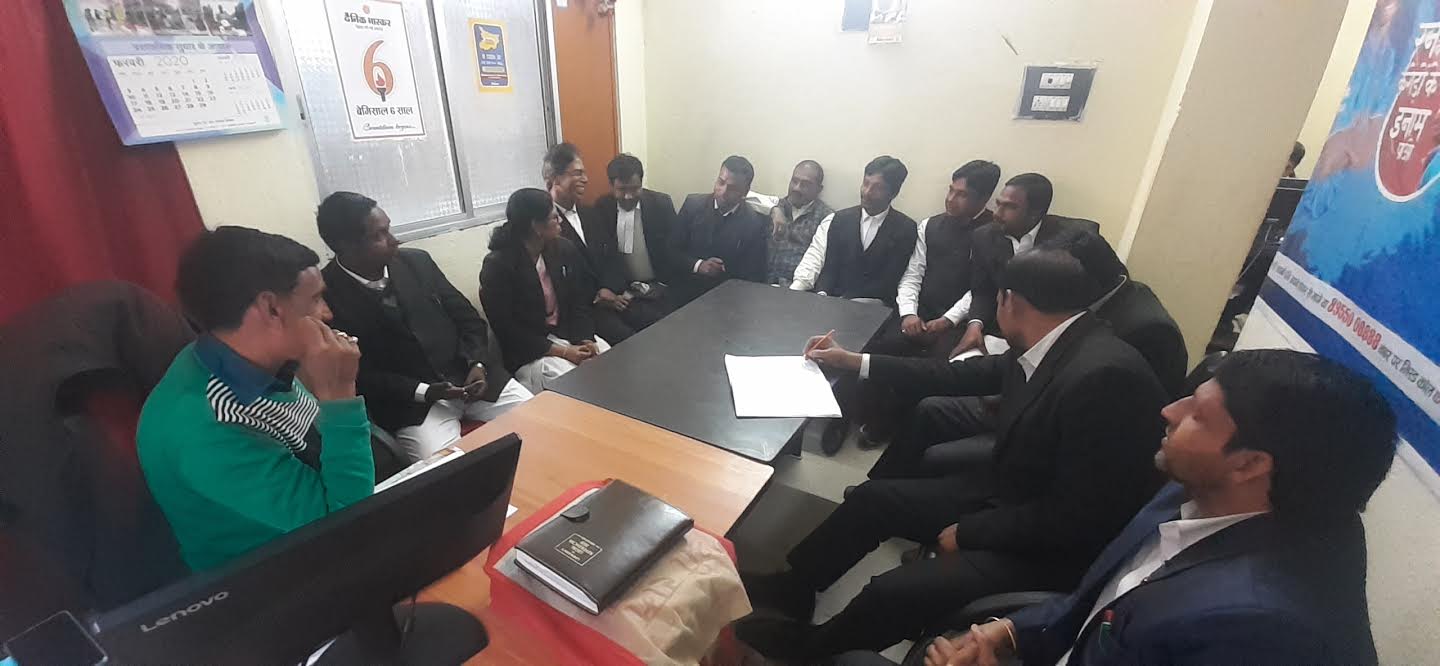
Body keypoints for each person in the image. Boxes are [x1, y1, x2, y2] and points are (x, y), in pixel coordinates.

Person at [736, 248, 1168, 660]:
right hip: (1016, 494)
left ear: (1010, 301)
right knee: (871, 500)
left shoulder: (1105, 379)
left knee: (891, 591)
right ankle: (795, 588)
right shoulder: (1058, 341)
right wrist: (854, 362)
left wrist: (969, 532)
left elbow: (1077, 517)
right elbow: (951, 375)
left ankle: (813, 648)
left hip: (1048, 547)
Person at [893, 350, 1393, 666]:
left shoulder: (1262, 633)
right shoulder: (1194, 489)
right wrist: (1008, 632)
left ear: (1250, 465)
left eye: (1198, 414)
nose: (1169, 411)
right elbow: (1100, 603)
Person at [138, 227, 374, 571]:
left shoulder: (250, 359)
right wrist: (340, 396)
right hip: (281, 577)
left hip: (330, 529)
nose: (326, 313)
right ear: (271, 309)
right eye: (315, 299)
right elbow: (347, 527)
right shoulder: (207, 424)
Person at [873, 229, 1188, 480]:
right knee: (930, 408)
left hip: (1053, 437)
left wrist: (1010, 405)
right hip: (1025, 400)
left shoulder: (1149, 331)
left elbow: (1116, 428)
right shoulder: (1085, 304)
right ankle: (883, 485)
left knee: (940, 454)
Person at [316, 192, 532, 462]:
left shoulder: (417, 262)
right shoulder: (325, 294)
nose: (394, 240)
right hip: (412, 406)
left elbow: (469, 320)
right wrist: (423, 391)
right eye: (379, 235)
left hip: (473, 379)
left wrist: (477, 363)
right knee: (443, 468)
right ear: (345, 245)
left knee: (541, 418)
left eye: (389, 229)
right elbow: (359, 373)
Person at [844, 161, 1002, 451]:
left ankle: (894, 426)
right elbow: (912, 274)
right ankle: (861, 415)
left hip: (959, 322)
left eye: (962, 195)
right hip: (920, 311)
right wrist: (909, 313)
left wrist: (948, 320)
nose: (951, 199)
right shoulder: (930, 225)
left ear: (983, 199)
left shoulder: (993, 234)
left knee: (936, 367)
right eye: (950, 190)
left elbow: (982, 289)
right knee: (879, 345)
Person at [952, 173, 1099, 357]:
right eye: (998, 204)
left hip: (1053, 338)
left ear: (1035, 213)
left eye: (1009, 207)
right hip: (999, 334)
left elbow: (1086, 298)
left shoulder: (1074, 240)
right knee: (960, 364)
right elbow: (982, 290)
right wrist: (975, 325)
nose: (997, 214)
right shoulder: (983, 237)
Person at [480, 188, 610, 394]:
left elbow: (579, 302)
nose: (560, 221)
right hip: (532, 351)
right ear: (536, 226)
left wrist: (585, 338)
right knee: (575, 381)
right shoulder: (498, 265)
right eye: (553, 217)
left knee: (608, 361)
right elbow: (508, 330)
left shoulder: (564, 249)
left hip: (567, 334)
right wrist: (564, 352)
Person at [789, 155, 918, 307]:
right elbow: (829, 268)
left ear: (893, 193)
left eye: (877, 188)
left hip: (873, 308)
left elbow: (890, 280)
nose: (867, 192)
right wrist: (823, 295)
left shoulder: (905, 229)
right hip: (830, 304)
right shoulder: (839, 219)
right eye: (865, 183)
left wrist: (851, 302)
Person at [586, 154, 677, 337]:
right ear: (611, 185)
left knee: (669, 330)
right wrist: (607, 287)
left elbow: (675, 249)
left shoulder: (661, 204)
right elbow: (600, 255)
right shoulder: (602, 207)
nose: (628, 196)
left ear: (641, 183)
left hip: (659, 288)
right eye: (621, 189)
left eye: (635, 189)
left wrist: (663, 285)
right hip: (623, 293)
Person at [666, 155, 770, 306]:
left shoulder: (754, 224)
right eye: (721, 182)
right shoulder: (693, 205)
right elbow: (671, 251)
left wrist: (723, 271)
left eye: (732, 188)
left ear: (745, 192)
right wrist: (699, 265)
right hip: (686, 292)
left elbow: (754, 275)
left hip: (728, 299)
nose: (723, 191)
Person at [767, 160, 834, 285]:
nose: (796, 188)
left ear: (819, 189)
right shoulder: (777, 205)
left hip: (795, 288)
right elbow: (744, 195)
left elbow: (819, 262)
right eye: (794, 181)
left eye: (805, 184)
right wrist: (774, 209)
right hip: (760, 282)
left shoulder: (826, 218)